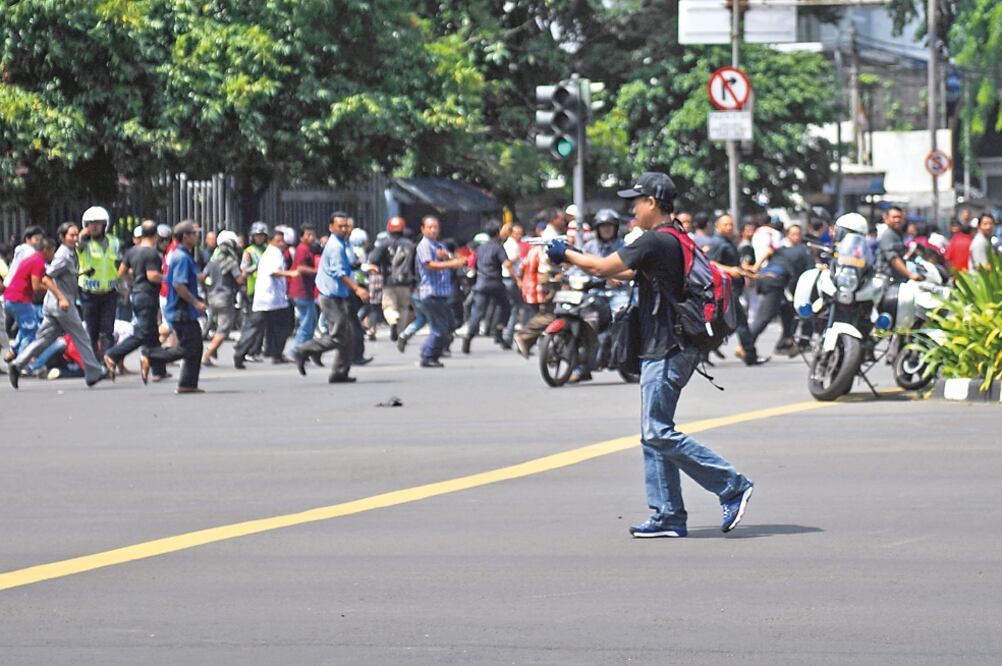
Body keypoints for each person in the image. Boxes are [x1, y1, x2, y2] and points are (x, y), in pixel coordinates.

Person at [545, 171, 754, 537]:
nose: (633, 210)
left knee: (657, 431)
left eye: (637, 202)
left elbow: (603, 265)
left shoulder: (655, 240)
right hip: (671, 345)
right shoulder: (674, 238)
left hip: (668, 347)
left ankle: (731, 485)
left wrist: (565, 252)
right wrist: (583, 264)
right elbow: (628, 274)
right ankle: (668, 516)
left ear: (652, 203)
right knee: (652, 432)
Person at [9, 224, 111, 389]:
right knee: (81, 336)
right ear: (62, 238)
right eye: (71, 235)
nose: (75, 238)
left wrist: (82, 274)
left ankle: (17, 364)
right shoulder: (63, 255)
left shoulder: (70, 253)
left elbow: (64, 274)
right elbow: (46, 278)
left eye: (76, 234)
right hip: (61, 304)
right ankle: (93, 372)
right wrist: (62, 298)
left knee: (44, 339)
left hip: (54, 304)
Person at [294, 211, 368, 382]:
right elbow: (339, 273)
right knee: (339, 336)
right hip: (330, 297)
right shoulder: (335, 246)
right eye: (340, 226)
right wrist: (358, 289)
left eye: (346, 226)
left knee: (348, 336)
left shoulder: (342, 244)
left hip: (339, 295)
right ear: (331, 227)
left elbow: (348, 266)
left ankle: (339, 373)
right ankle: (304, 349)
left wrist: (362, 268)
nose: (344, 229)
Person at [140, 221, 205, 394]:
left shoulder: (182, 255)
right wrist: (195, 302)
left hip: (183, 310)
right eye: (194, 233)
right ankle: (150, 356)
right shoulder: (181, 257)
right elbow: (179, 285)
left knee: (195, 346)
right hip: (181, 310)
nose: (197, 237)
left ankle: (188, 384)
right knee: (187, 347)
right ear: (185, 236)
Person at [103, 220, 164, 376]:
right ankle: (113, 354)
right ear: (156, 236)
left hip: (136, 293)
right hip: (147, 295)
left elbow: (121, 271)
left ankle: (159, 370)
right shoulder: (151, 253)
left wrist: (132, 282)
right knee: (143, 333)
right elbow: (152, 276)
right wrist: (168, 278)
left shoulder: (132, 251)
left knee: (152, 333)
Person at [746, 224, 813, 358]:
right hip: (774, 281)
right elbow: (809, 274)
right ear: (788, 235)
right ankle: (745, 345)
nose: (795, 237)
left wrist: (756, 268)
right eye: (793, 234)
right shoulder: (804, 251)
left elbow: (768, 253)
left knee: (787, 311)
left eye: (798, 234)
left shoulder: (781, 249)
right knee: (764, 317)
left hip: (769, 280)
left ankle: (785, 342)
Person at [235, 228, 298, 366]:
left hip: (273, 299)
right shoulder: (273, 254)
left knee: (269, 327)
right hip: (269, 299)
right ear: (271, 241)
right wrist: (290, 274)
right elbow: (273, 272)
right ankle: (243, 352)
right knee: (280, 325)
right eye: (278, 241)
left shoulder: (273, 253)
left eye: (282, 241)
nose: (281, 243)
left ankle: (273, 353)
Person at [705, 214, 760, 365]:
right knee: (740, 321)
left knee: (723, 324)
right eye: (725, 225)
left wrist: (746, 272)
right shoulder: (717, 243)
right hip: (725, 288)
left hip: (732, 287)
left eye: (731, 224)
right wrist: (729, 270)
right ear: (718, 226)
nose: (729, 227)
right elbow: (710, 263)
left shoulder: (728, 242)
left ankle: (703, 351)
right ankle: (750, 355)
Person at [514, 207, 567, 358]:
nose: (563, 221)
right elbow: (551, 257)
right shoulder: (551, 235)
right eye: (561, 219)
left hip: (552, 275)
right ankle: (524, 336)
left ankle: (527, 339)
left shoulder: (554, 233)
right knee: (551, 314)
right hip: (551, 276)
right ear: (553, 219)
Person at [413, 215, 466, 368]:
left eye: (435, 227)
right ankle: (427, 355)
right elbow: (429, 265)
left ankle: (430, 353)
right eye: (430, 227)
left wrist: (451, 258)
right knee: (439, 328)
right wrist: (451, 263)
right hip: (431, 292)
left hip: (442, 292)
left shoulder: (438, 245)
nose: (433, 230)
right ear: (423, 229)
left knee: (449, 324)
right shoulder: (424, 245)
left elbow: (452, 259)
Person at [76, 206, 123, 358]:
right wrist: (81, 236)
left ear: (105, 224)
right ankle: (92, 363)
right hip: (89, 294)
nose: (94, 226)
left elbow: (119, 264)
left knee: (107, 330)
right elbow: (77, 246)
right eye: (90, 223)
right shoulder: (84, 244)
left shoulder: (114, 242)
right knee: (92, 331)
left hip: (109, 293)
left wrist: (124, 285)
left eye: (98, 222)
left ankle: (107, 361)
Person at [462, 220, 513, 354]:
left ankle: (468, 336)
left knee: (477, 312)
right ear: (497, 232)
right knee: (506, 307)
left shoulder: (481, 248)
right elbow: (507, 264)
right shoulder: (498, 247)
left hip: (481, 283)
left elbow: (474, 265)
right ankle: (499, 330)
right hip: (495, 283)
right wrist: (517, 278)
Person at [3, 235, 52, 357]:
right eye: (52, 251)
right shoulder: (38, 262)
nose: (54, 255)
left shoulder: (31, 259)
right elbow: (36, 286)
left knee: (25, 328)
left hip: (11, 298)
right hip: (20, 300)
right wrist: (53, 290)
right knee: (31, 331)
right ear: (46, 250)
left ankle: (14, 351)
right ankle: (22, 362)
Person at [369, 216, 416, 342]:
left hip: (388, 281)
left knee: (389, 306)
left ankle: (393, 320)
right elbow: (414, 264)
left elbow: (373, 259)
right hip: (406, 282)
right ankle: (400, 332)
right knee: (404, 307)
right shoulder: (410, 245)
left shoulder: (384, 243)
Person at [202, 230, 243, 365]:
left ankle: (213, 350)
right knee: (224, 329)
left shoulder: (212, 261)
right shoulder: (231, 261)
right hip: (225, 297)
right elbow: (239, 279)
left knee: (218, 325)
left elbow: (202, 276)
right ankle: (207, 354)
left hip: (212, 296)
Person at [289, 223, 319, 355]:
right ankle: (295, 351)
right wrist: (317, 271)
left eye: (313, 234)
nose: (312, 237)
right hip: (301, 291)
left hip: (306, 291)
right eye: (309, 235)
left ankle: (305, 350)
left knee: (311, 322)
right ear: (301, 237)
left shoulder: (308, 248)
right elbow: (300, 268)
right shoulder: (302, 249)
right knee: (306, 324)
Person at [877, 206, 922, 283]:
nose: (897, 220)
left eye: (900, 217)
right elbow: (893, 259)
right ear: (887, 219)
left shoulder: (898, 234)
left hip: (896, 279)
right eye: (894, 217)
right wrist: (910, 275)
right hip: (888, 281)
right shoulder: (888, 234)